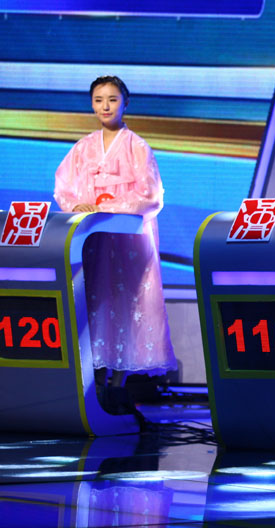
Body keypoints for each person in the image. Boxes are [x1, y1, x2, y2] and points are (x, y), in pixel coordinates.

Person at [53, 76, 178, 411]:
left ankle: (117, 386)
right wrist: (79, 206)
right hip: (94, 241)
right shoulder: (83, 148)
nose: (105, 106)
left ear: (125, 103)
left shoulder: (137, 146)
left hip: (127, 245)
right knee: (96, 303)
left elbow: (151, 195)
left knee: (126, 305)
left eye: (112, 99)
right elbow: (63, 187)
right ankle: (94, 384)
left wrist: (109, 208)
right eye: (98, 100)